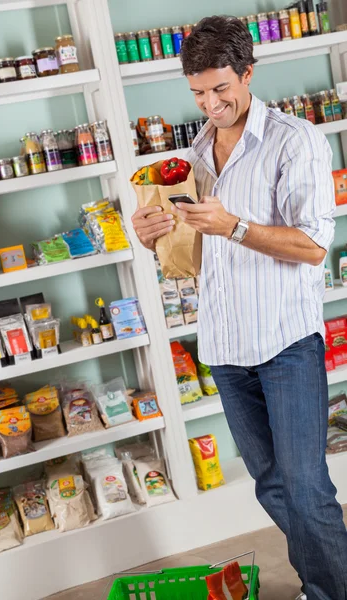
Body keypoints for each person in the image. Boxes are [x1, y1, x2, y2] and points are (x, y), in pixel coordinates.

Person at [131, 15, 347, 600]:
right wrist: (153, 234)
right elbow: (192, 257)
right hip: (225, 347)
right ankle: (321, 583)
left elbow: (311, 246)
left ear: (249, 74)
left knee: (306, 489)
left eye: (221, 88)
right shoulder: (197, 151)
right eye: (198, 92)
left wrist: (235, 225)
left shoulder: (294, 140)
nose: (211, 104)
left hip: (285, 343)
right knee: (272, 485)